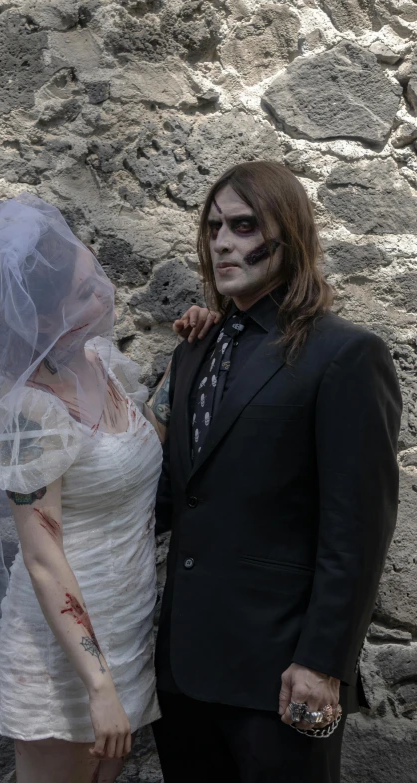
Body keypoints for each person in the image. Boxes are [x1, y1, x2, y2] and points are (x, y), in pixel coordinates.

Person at [0, 193, 214, 783]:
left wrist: (188, 356)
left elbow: (138, 445)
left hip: (123, 629)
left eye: (93, 276)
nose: (103, 294)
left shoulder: (101, 363)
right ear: (38, 319)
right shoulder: (29, 413)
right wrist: (97, 686)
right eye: (82, 293)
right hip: (64, 657)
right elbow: (42, 557)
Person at [151, 161, 402, 782]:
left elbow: (358, 529)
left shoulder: (345, 354)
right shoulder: (193, 349)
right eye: (213, 229)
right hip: (183, 674)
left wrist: (323, 663)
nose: (222, 243)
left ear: (288, 234)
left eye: (242, 225)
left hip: (286, 675)